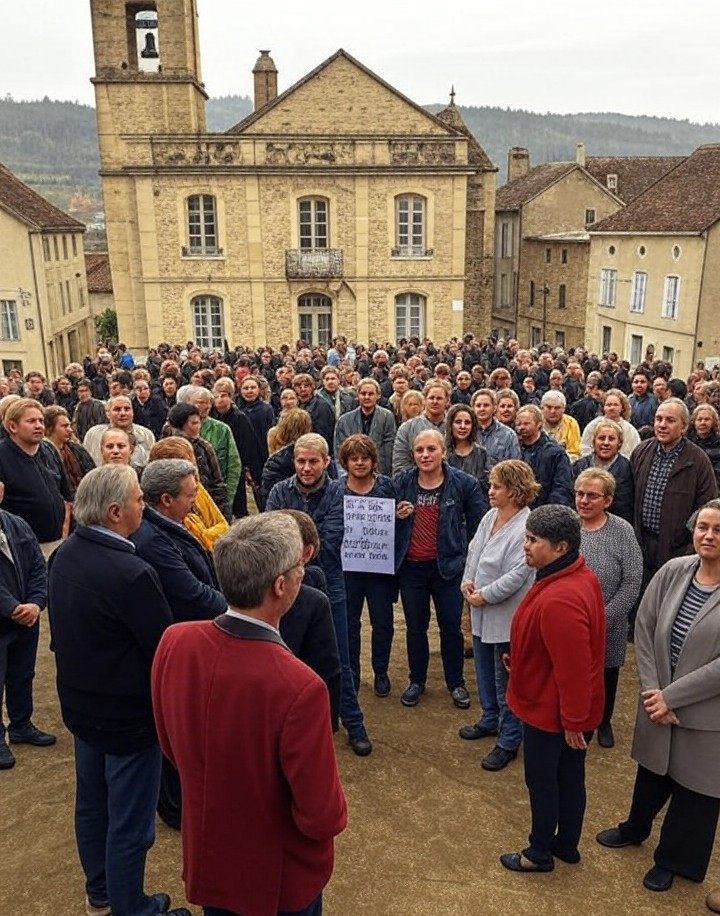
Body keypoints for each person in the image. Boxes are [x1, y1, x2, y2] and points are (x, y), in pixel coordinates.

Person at [152, 514, 347, 916]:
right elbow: (321, 815)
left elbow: (169, 744)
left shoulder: (174, 642)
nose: (303, 573)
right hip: (277, 877)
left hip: (210, 860)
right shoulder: (301, 687)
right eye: (298, 567)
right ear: (280, 586)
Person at [48, 465, 187, 916]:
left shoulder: (65, 555)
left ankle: (100, 893)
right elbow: (163, 648)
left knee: (92, 806)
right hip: (128, 720)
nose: (144, 505)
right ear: (113, 512)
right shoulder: (132, 573)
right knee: (130, 822)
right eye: (137, 499)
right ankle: (132, 907)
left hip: (80, 707)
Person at [596, 500, 720, 894]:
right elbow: (645, 627)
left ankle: (674, 860)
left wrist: (672, 697)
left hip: (705, 710)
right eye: (703, 527)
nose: (708, 536)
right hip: (657, 697)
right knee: (653, 771)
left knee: (696, 789)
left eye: (718, 530)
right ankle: (635, 828)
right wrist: (654, 692)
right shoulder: (673, 571)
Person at [501, 505, 605, 873]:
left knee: (543, 781)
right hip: (562, 706)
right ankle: (567, 844)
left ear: (561, 547)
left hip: (552, 713)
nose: (525, 545)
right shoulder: (579, 576)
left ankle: (539, 852)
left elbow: (573, 669)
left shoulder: (560, 597)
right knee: (570, 777)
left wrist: (574, 721)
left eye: (533, 540)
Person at [266, 433, 372, 756]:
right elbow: (270, 536)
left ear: (326, 462)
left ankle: (352, 721)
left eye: (313, 461)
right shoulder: (279, 490)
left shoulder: (340, 491)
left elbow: (329, 538)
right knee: (285, 656)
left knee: (338, 654)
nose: (307, 467)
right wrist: (300, 541)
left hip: (330, 581)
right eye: (301, 461)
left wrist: (292, 541)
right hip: (285, 587)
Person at [394, 428, 487, 709]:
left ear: (443, 452)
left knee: (451, 628)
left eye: (431, 449)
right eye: (419, 450)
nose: (425, 455)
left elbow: (479, 526)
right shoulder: (401, 483)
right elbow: (382, 522)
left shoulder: (465, 484)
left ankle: (456, 682)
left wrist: (467, 562)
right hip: (412, 568)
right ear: (413, 454)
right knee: (415, 628)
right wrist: (395, 516)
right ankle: (416, 681)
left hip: (449, 568)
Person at [459, 460, 538, 771]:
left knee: (506, 679)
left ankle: (509, 739)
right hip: (480, 606)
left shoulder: (526, 526)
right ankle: (490, 718)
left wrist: (485, 595)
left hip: (506, 612)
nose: (490, 491)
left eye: (497, 487)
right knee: (483, 672)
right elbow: (474, 551)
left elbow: (519, 573)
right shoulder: (490, 515)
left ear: (515, 491)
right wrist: (468, 582)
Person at [575, 469, 643, 748]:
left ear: (608, 500)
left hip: (609, 622)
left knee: (606, 673)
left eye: (592, 496)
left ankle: (603, 720)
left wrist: (604, 617)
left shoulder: (622, 531)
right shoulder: (566, 525)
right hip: (571, 622)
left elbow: (632, 579)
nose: (584, 501)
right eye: (580, 494)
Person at [631, 398, 718, 595]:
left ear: (684, 426)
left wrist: (689, 547)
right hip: (641, 542)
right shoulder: (642, 451)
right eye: (658, 419)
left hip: (676, 548)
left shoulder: (698, 460)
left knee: (667, 596)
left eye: (670, 420)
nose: (662, 425)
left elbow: (706, 507)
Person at [338, 434, 397, 697]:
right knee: (349, 623)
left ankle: (381, 671)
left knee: (383, 622)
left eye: (364, 458)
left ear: (373, 461)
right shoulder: (336, 489)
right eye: (354, 459)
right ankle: (352, 673)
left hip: (380, 570)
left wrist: (398, 514)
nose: (360, 463)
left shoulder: (387, 487)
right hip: (347, 569)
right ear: (346, 462)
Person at [0, 497, 54, 770]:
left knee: (22, 674)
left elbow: (37, 566)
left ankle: (21, 725)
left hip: (25, 619)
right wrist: (11, 607)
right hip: (8, 616)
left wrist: (35, 602)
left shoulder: (17, 524)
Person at [0, 398, 71, 544]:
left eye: (41, 421)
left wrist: (64, 533)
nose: (38, 426)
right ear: (13, 426)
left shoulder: (49, 450)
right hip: (21, 545)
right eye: (31, 421)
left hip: (58, 541)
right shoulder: (2, 456)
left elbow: (65, 496)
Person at [148, 438, 229, 551]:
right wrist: (207, 533)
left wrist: (205, 534)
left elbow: (223, 525)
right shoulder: (162, 509)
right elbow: (201, 541)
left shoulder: (197, 488)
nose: (193, 468)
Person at [572, 420, 634, 524]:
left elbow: (626, 507)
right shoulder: (579, 466)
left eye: (611, 439)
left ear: (619, 443)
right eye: (601, 438)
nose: (606, 443)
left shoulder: (627, 469)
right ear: (594, 442)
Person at [514, 405, 574, 507]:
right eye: (518, 424)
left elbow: (562, 487)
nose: (521, 427)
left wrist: (549, 512)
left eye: (526, 424)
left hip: (546, 507)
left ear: (539, 424)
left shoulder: (555, 453)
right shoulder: (514, 449)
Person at [334, 378, 396, 476]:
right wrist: (345, 475)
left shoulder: (387, 417)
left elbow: (388, 450)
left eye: (371, 394)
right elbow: (339, 451)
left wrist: (380, 476)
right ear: (357, 396)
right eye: (363, 394)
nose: (367, 397)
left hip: (378, 474)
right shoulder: (344, 421)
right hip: (351, 474)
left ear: (378, 395)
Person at [83, 395, 156, 472]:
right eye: (117, 409)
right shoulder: (93, 435)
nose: (123, 413)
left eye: (127, 409)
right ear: (107, 413)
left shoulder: (146, 435)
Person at [392, 379, 451, 473]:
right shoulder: (407, 428)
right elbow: (400, 465)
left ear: (447, 401)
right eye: (431, 398)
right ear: (425, 399)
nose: (435, 401)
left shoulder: (455, 427)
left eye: (439, 398)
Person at [44, 405, 95, 495]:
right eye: (65, 426)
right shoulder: (43, 454)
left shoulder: (76, 449)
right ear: (50, 428)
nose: (70, 430)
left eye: (69, 425)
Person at [580, 388, 640, 459]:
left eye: (615, 405)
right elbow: (585, 448)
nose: (612, 408)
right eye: (608, 405)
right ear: (604, 407)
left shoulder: (630, 430)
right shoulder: (593, 426)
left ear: (622, 407)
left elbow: (635, 453)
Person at [471, 388, 521, 467]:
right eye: (478, 405)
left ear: (494, 408)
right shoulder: (467, 432)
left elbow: (515, 466)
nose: (482, 409)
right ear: (473, 408)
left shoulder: (508, 435)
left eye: (486, 405)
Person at [541, 390, 581, 462]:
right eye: (549, 407)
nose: (552, 411)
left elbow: (574, 453)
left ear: (564, 409)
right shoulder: (536, 421)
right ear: (542, 407)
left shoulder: (571, 423)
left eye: (557, 408)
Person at [688, 403, 720, 489]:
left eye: (707, 419)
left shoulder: (718, 444)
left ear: (714, 422)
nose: (703, 423)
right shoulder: (687, 442)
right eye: (699, 419)